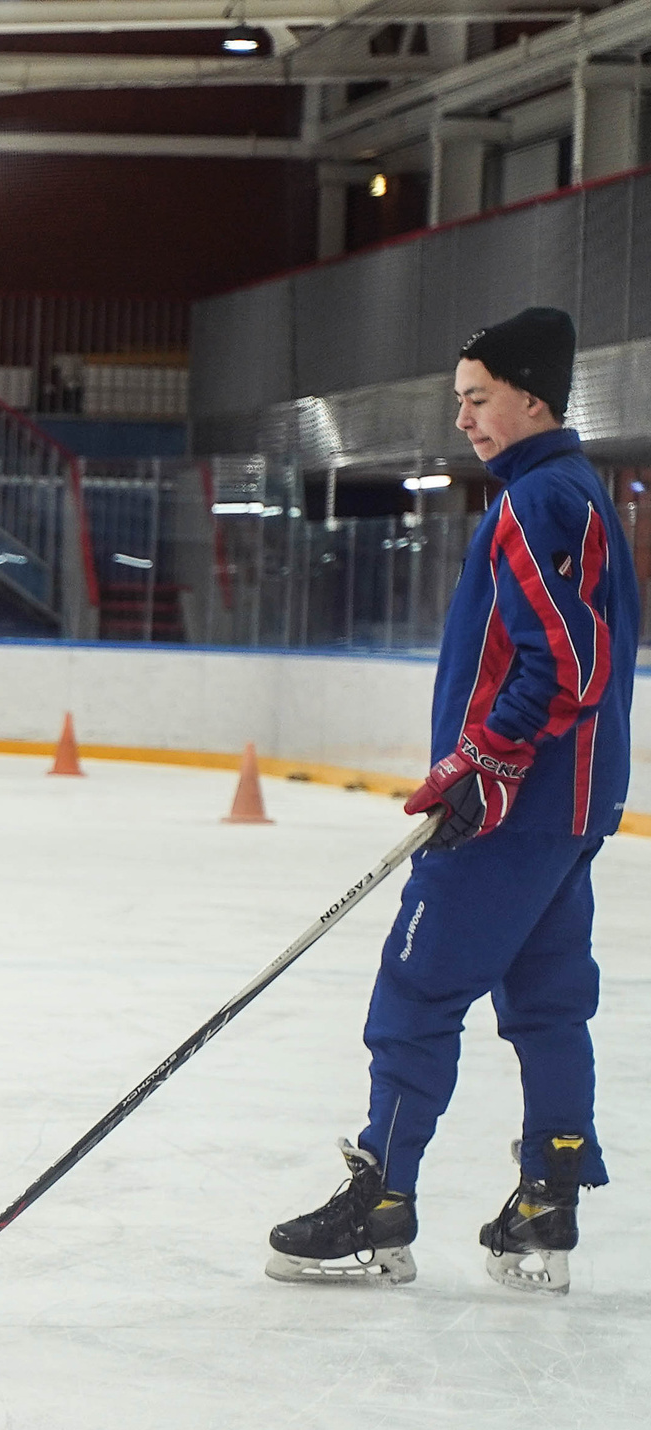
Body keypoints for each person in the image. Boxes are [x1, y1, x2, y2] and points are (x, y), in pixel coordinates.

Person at [267, 306, 637, 1299]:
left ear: (530, 397)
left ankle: (379, 1199)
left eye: (476, 399)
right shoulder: (580, 496)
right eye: (458, 401)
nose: (464, 419)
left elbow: (569, 659)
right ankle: (544, 1201)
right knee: (549, 1000)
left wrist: (484, 763)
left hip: (515, 808)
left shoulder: (531, 504)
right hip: (573, 810)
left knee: (416, 985)